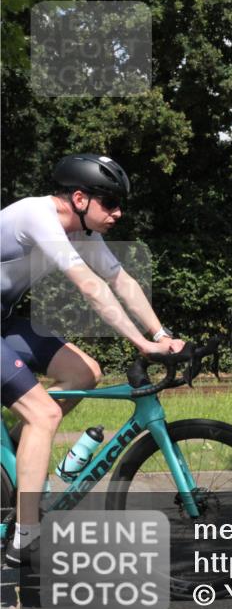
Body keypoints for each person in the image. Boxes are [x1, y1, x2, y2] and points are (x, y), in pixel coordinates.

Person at [1, 154, 184, 566]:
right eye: (110, 202)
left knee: (85, 372)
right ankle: (24, 536)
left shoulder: (82, 232)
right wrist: (141, 343)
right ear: (80, 199)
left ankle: (14, 459)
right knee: (45, 414)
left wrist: (161, 336)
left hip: (3, 320)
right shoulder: (37, 216)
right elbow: (90, 287)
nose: (118, 213)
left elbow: (120, 281)